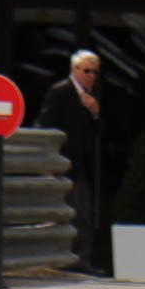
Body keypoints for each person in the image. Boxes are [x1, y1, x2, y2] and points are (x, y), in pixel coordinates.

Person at [36, 49, 105, 275]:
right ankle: (62, 260)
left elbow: (99, 132)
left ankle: (81, 260)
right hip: (64, 165)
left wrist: (95, 113)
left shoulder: (93, 95)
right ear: (74, 70)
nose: (91, 76)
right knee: (67, 214)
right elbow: (44, 125)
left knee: (82, 214)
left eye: (94, 72)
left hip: (83, 166)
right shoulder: (61, 92)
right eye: (86, 71)